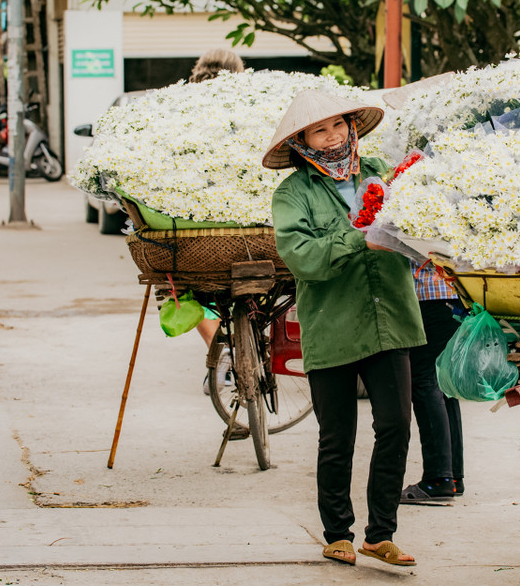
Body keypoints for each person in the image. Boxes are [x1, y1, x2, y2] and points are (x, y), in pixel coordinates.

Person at [264, 89, 425, 567]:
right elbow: (302, 257)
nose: (332, 136)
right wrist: (358, 238)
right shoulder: (292, 194)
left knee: (395, 426)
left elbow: (419, 216)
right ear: (301, 142)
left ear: (352, 126)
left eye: (338, 124)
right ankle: (337, 532)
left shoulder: (381, 170)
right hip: (331, 323)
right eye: (320, 129)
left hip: (390, 317)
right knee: (338, 436)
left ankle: (380, 533)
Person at [184, 49, 245, 395]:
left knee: (184, 288)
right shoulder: (248, 105)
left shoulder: (185, 108)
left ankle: (219, 350)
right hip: (249, 219)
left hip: (198, 220)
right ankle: (241, 350)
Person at [400, 262, 466, 504]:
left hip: (428, 299)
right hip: (455, 295)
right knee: (444, 384)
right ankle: (453, 477)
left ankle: (438, 478)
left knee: (423, 380)